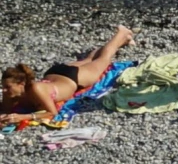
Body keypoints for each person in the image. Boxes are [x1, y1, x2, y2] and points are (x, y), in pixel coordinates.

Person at [2, 26, 134, 117]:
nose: (4, 90)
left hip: (73, 78)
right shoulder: (11, 95)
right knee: (89, 59)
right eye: (3, 87)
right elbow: (4, 111)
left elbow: (52, 112)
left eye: (7, 87)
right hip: (55, 73)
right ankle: (123, 40)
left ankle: (122, 33)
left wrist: (21, 117)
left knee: (103, 59)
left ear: (21, 84)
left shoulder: (36, 88)